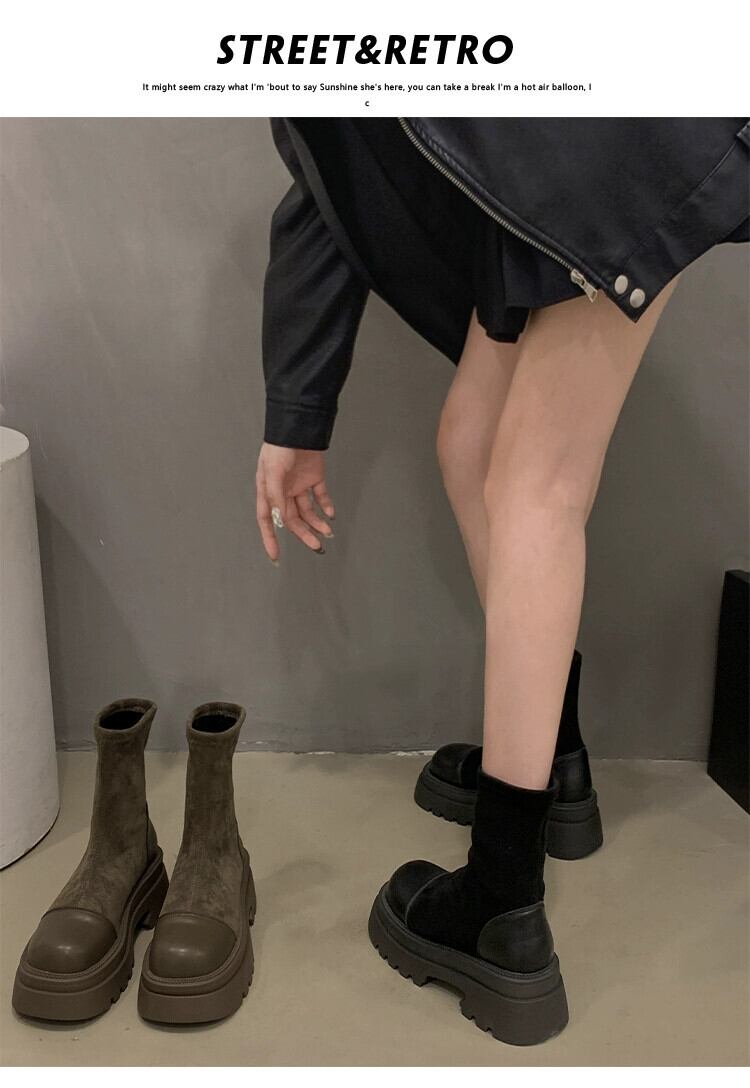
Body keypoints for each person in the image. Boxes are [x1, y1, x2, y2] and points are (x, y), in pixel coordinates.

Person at [256, 118, 749, 1044]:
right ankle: (553, 760)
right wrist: (296, 414)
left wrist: (294, 417)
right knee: (473, 443)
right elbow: (334, 176)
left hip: (604, 144)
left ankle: (501, 901)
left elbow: (324, 184)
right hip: (552, 164)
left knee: (536, 487)